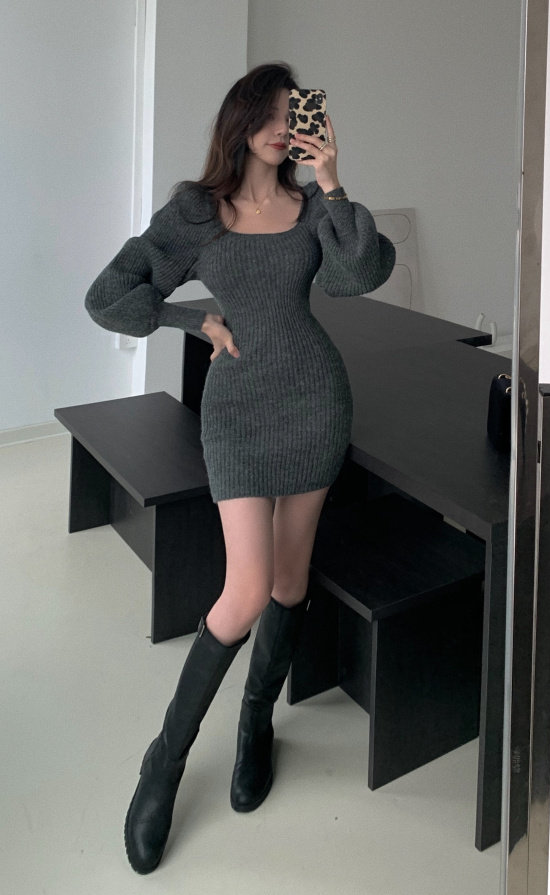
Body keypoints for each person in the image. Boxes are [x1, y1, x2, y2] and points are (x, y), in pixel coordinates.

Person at [84, 62, 395, 874]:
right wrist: (190, 318)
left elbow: (359, 275)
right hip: (237, 414)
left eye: (295, 113)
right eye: (270, 111)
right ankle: (166, 759)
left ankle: (257, 719)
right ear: (241, 118)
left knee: (289, 581)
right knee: (247, 587)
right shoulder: (199, 209)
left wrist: (333, 180)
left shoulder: (311, 208)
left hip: (315, 402)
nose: (282, 126)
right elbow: (109, 292)